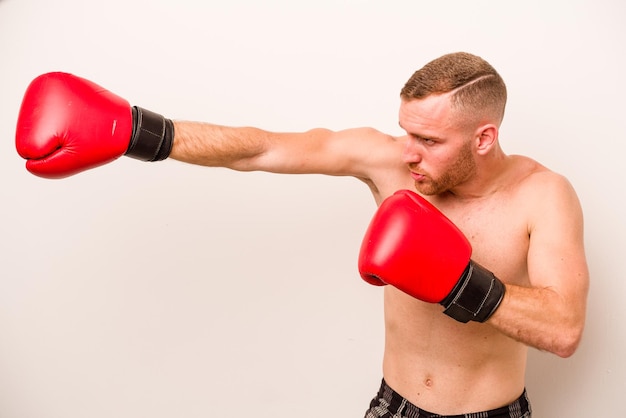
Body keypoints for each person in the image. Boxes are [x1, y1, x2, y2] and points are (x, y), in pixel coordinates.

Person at [15, 52, 589, 417]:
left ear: (484, 138)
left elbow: (564, 329)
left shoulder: (543, 196)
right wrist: (140, 132)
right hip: (394, 406)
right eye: (404, 131)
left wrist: (458, 282)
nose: (408, 152)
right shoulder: (392, 163)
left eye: (431, 141)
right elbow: (264, 147)